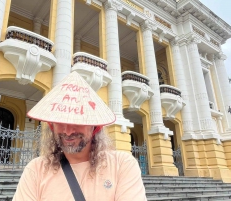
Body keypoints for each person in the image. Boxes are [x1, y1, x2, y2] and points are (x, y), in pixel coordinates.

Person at [12, 71, 147, 201]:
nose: (68, 131)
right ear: (52, 126)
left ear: (94, 126)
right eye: (60, 121)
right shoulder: (36, 169)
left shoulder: (122, 165)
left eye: (78, 121)